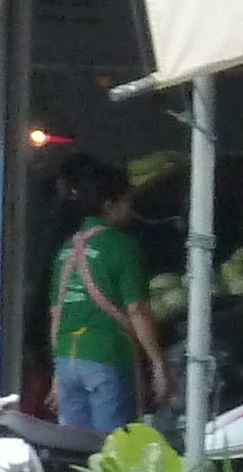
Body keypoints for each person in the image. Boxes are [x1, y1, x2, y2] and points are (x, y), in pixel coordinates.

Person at [45, 156, 166, 434]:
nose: (131, 208)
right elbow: (136, 310)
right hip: (106, 357)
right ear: (110, 204)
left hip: (67, 362)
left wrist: (57, 373)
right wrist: (157, 363)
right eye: (127, 200)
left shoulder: (65, 250)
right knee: (110, 449)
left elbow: (57, 315)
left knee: (74, 451)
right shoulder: (122, 246)